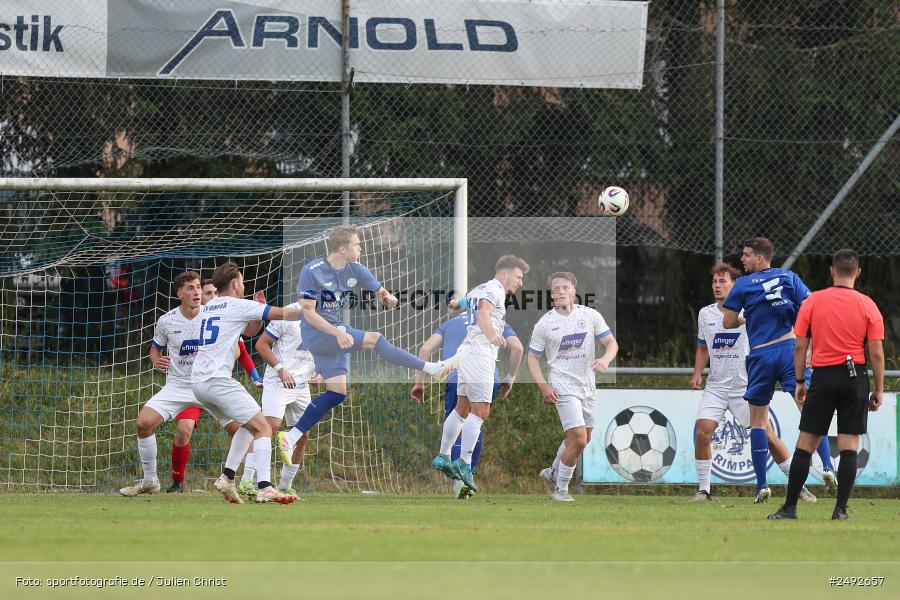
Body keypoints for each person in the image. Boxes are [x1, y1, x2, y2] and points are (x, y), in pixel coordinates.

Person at [278, 225, 456, 465]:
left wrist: (387, 297)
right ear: (343, 248)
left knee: (336, 393)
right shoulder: (312, 271)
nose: (360, 247)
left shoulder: (356, 269)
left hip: (335, 335)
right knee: (376, 339)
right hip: (318, 333)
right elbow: (308, 312)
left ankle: (290, 436)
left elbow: (379, 289)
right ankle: (430, 368)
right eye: (357, 244)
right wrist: (336, 333)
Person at [769, 249, 885, 520]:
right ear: (857, 272)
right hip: (854, 376)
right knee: (848, 445)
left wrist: (799, 380)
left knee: (805, 443)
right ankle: (840, 510)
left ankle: (789, 508)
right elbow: (877, 353)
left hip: (822, 376)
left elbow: (800, 346)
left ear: (832, 271)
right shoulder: (868, 305)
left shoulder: (814, 301)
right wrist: (878, 388)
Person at [691, 263, 816, 503]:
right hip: (716, 386)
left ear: (735, 285)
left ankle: (798, 486)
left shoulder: (752, 309)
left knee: (767, 436)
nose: (717, 286)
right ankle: (704, 490)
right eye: (715, 282)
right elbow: (701, 346)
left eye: (723, 282)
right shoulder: (705, 313)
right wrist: (697, 373)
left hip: (744, 385)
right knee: (702, 432)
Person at [119, 272, 239, 497]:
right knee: (143, 424)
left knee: (242, 429)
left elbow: (238, 343)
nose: (197, 292)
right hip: (177, 385)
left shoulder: (213, 316)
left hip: (209, 384)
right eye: (191, 288)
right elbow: (155, 348)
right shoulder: (167, 320)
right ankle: (150, 481)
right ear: (179, 294)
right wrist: (156, 360)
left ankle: (252, 481)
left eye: (198, 287)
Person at [191, 262, 301, 504]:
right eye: (241, 281)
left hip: (199, 383)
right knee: (264, 427)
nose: (243, 285)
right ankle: (265, 486)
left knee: (249, 426)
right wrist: (310, 307)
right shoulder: (237, 304)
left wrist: (258, 310)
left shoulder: (208, 307)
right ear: (235, 284)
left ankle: (228, 477)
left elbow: (250, 332)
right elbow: (283, 314)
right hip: (217, 380)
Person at [721, 238, 815, 504]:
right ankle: (828, 469)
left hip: (761, 354)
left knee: (758, 423)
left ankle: (761, 484)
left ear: (760, 259)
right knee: (807, 409)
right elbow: (808, 308)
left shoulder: (742, 284)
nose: (742, 259)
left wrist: (745, 317)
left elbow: (727, 322)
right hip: (788, 348)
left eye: (746, 255)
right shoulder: (788, 276)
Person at [431, 255, 529, 493]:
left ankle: (444, 455)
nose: (520, 283)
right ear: (504, 274)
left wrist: (456, 304)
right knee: (481, 410)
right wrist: (492, 335)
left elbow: (466, 303)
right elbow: (484, 312)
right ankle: (464, 463)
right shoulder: (495, 290)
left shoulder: (480, 288)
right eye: (518, 277)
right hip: (480, 355)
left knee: (462, 407)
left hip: (466, 353)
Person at [165, 278, 263, 493]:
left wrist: (256, 377)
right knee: (184, 430)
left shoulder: (224, 320)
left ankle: (246, 479)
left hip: (216, 386)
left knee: (245, 428)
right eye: (207, 293)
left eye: (210, 293)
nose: (209, 297)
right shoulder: (193, 320)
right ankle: (177, 482)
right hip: (191, 385)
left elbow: (243, 350)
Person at [410, 311, 523, 499]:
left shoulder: (449, 323)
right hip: (484, 374)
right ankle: (467, 476)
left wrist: (419, 382)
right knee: (475, 421)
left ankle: (457, 479)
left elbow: (424, 350)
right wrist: (510, 377)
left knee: (459, 421)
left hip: (455, 375)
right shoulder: (494, 318)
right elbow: (517, 348)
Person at [528, 272, 618, 502]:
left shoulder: (589, 315)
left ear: (573, 292)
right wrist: (544, 386)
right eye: (555, 289)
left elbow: (611, 343)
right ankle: (561, 490)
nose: (559, 292)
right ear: (551, 295)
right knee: (578, 439)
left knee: (583, 439)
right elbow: (532, 358)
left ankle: (553, 472)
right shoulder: (545, 324)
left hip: (587, 386)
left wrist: (606, 360)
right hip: (562, 385)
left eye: (564, 288)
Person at [242, 303, 322, 497]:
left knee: (303, 434)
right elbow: (261, 344)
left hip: (301, 386)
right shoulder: (288, 314)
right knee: (269, 427)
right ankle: (248, 480)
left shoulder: (326, 318)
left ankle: (285, 485)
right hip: (278, 382)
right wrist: (280, 369)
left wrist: (320, 373)